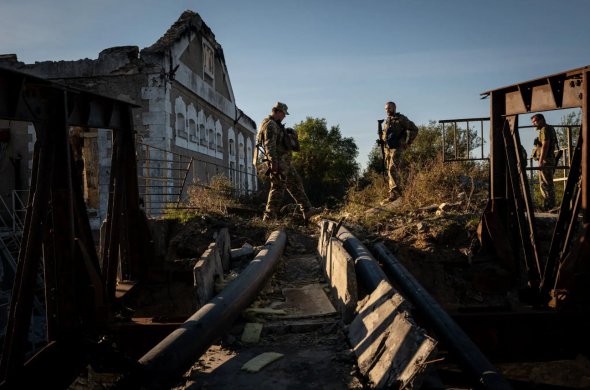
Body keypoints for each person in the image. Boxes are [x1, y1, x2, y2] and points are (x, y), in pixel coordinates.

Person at [257, 102, 321, 221]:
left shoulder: (276, 125)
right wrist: (273, 163)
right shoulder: (270, 125)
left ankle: (307, 210)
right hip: (278, 163)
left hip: (285, 163)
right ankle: (269, 217)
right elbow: (269, 145)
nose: (284, 116)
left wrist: (289, 133)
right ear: (278, 111)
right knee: (278, 188)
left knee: (296, 183)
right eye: (283, 114)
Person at [379, 101, 419, 203]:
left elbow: (414, 129)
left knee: (393, 168)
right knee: (389, 170)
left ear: (394, 108)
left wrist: (408, 143)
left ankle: (395, 194)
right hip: (388, 150)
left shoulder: (401, 119)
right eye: (386, 109)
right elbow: (385, 137)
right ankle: (394, 193)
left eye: (389, 108)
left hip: (398, 148)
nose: (387, 111)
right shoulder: (387, 121)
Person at [531, 113, 558, 211]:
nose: (534, 124)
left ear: (541, 120)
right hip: (550, 159)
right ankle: (550, 205)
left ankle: (549, 206)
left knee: (545, 184)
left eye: (535, 121)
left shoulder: (544, 130)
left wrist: (541, 160)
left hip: (546, 160)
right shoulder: (550, 128)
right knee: (548, 183)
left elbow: (545, 144)